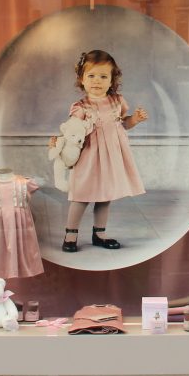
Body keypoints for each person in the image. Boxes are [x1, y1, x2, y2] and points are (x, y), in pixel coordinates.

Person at [60, 50, 148, 252]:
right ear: (82, 79)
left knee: (104, 195)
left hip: (111, 156)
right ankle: (70, 234)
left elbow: (122, 125)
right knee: (81, 196)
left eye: (103, 76)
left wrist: (135, 119)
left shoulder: (117, 102)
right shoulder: (81, 107)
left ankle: (99, 233)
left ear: (111, 81)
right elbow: (72, 132)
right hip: (89, 156)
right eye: (91, 76)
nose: (96, 81)